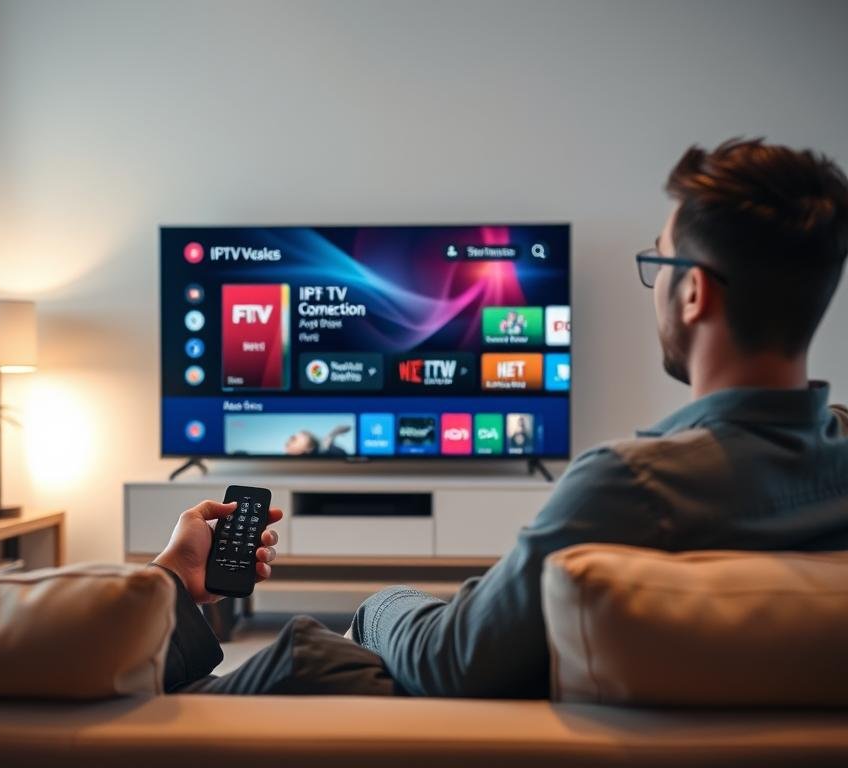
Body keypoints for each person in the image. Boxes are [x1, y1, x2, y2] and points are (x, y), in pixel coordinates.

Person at [153, 137, 848, 697]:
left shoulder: (632, 486)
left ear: (693, 292)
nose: (655, 281)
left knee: (309, 656)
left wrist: (382, 601)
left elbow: (454, 657)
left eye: (658, 260)